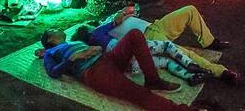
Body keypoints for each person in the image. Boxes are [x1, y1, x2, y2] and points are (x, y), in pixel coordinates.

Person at [40, 28, 192, 111]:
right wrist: (73, 58)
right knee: (139, 93)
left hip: (107, 59)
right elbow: (53, 72)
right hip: (95, 72)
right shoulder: (49, 53)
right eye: (53, 29)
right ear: (50, 40)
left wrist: (96, 48)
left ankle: (153, 80)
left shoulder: (73, 42)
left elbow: (98, 33)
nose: (59, 28)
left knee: (134, 34)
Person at [96, 6, 237, 84]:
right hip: (147, 36)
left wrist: (124, 12)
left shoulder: (113, 16)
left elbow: (133, 9)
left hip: (157, 25)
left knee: (190, 10)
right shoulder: (100, 32)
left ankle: (210, 42)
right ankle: (221, 72)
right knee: (186, 54)